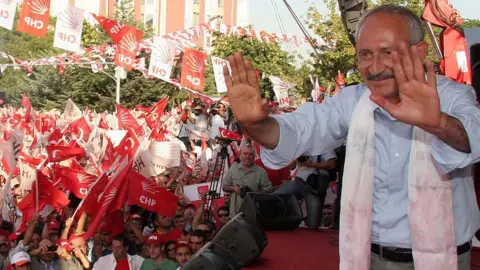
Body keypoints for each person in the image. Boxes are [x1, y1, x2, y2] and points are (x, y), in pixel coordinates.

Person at [223, 4, 480, 270]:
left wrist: (438, 123)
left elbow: (474, 136)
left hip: (444, 259)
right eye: (365, 54)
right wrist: (253, 123)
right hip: (366, 257)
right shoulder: (353, 100)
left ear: (419, 51)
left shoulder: (451, 96)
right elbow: (299, 130)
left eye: (387, 53)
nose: (375, 67)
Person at [222, 144, 273, 218]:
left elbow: (268, 190)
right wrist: (233, 188)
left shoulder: (261, 172)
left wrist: (253, 193)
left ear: (254, 156)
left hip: (254, 214)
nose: (248, 157)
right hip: (235, 214)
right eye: (245, 154)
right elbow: (224, 186)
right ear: (240, 155)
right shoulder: (233, 169)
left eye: (251, 154)